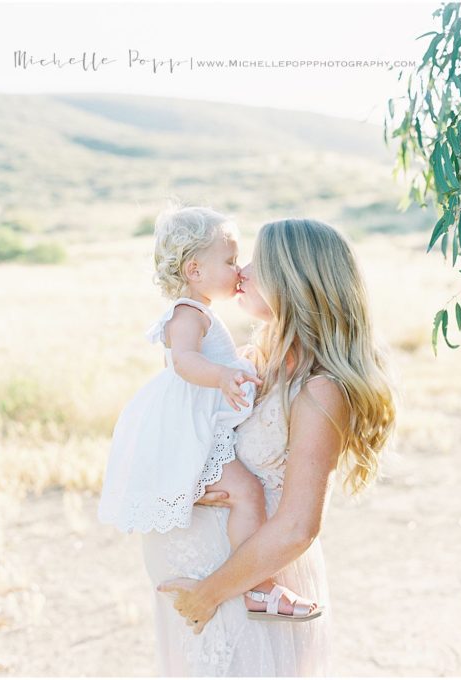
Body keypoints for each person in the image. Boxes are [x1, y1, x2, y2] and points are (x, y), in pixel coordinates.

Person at [147, 218, 395, 675]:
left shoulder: (321, 389)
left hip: (241, 592)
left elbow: (298, 525)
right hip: (205, 585)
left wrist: (209, 594)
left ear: (294, 280)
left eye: (259, 263)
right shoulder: (258, 358)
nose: (242, 269)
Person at [98, 206, 318, 621]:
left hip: (199, 427)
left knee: (243, 493)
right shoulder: (189, 314)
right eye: (231, 261)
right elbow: (183, 362)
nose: (240, 270)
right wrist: (221, 376)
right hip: (191, 432)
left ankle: (255, 582)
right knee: (247, 493)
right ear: (195, 269)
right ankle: (258, 585)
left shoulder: (201, 313)